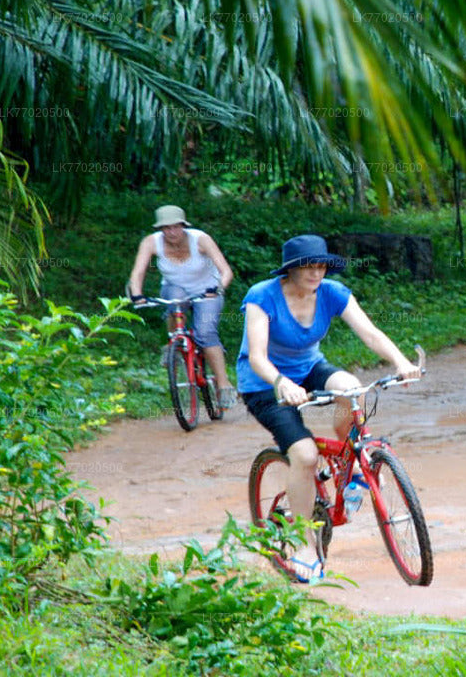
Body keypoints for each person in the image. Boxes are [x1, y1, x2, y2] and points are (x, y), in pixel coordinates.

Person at [238, 234, 421, 583]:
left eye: (321, 266)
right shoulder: (262, 296)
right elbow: (257, 357)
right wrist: (281, 383)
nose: (316, 273)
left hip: (308, 369)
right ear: (290, 270)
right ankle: (305, 545)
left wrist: (400, 361)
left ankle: (351, 464)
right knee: (305, 455)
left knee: (351, 388)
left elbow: (370, 333)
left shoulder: (332, 292)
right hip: (264, 384)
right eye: (307, 266)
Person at [127, 205, 237, 409]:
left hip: (207, 290)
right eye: (166, 228)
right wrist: (137, 294)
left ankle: (223, 385)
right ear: (160, 229)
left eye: (176, 227)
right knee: (174, 303)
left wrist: (218, 288)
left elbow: (226, 271)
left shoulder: (200, 239)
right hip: (175, 287)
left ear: (184, 226)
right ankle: (173, 344)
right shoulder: (151, 242)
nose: (172, 232)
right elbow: (138, 271)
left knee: (206, 333)